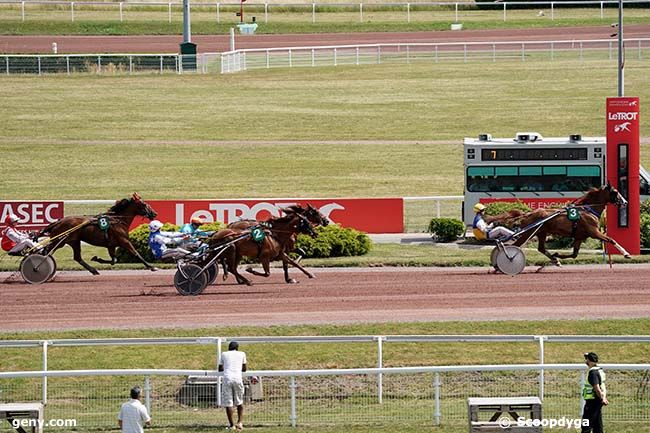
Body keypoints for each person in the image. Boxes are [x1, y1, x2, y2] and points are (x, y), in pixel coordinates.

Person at [219, 341, 247, 431]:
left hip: (227, 378)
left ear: (229, 348)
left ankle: (232, 425)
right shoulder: (242, 354)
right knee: (239, 401)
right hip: (238, 378)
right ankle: (240, 422)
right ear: (237, 348)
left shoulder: (224, 354)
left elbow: (220, 368)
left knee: (229, 403)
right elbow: (244, 369)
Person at [581, 352, 608, 433]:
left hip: (592, 401)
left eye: (586, 359)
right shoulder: (599, 370)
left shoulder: (593, 372)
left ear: (589, 360)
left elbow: (596, 387)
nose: (585, 360)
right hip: (597, 400)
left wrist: (602, 398)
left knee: (586, 423)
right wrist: (603, 398)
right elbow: (602, 386)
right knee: (597, 424)